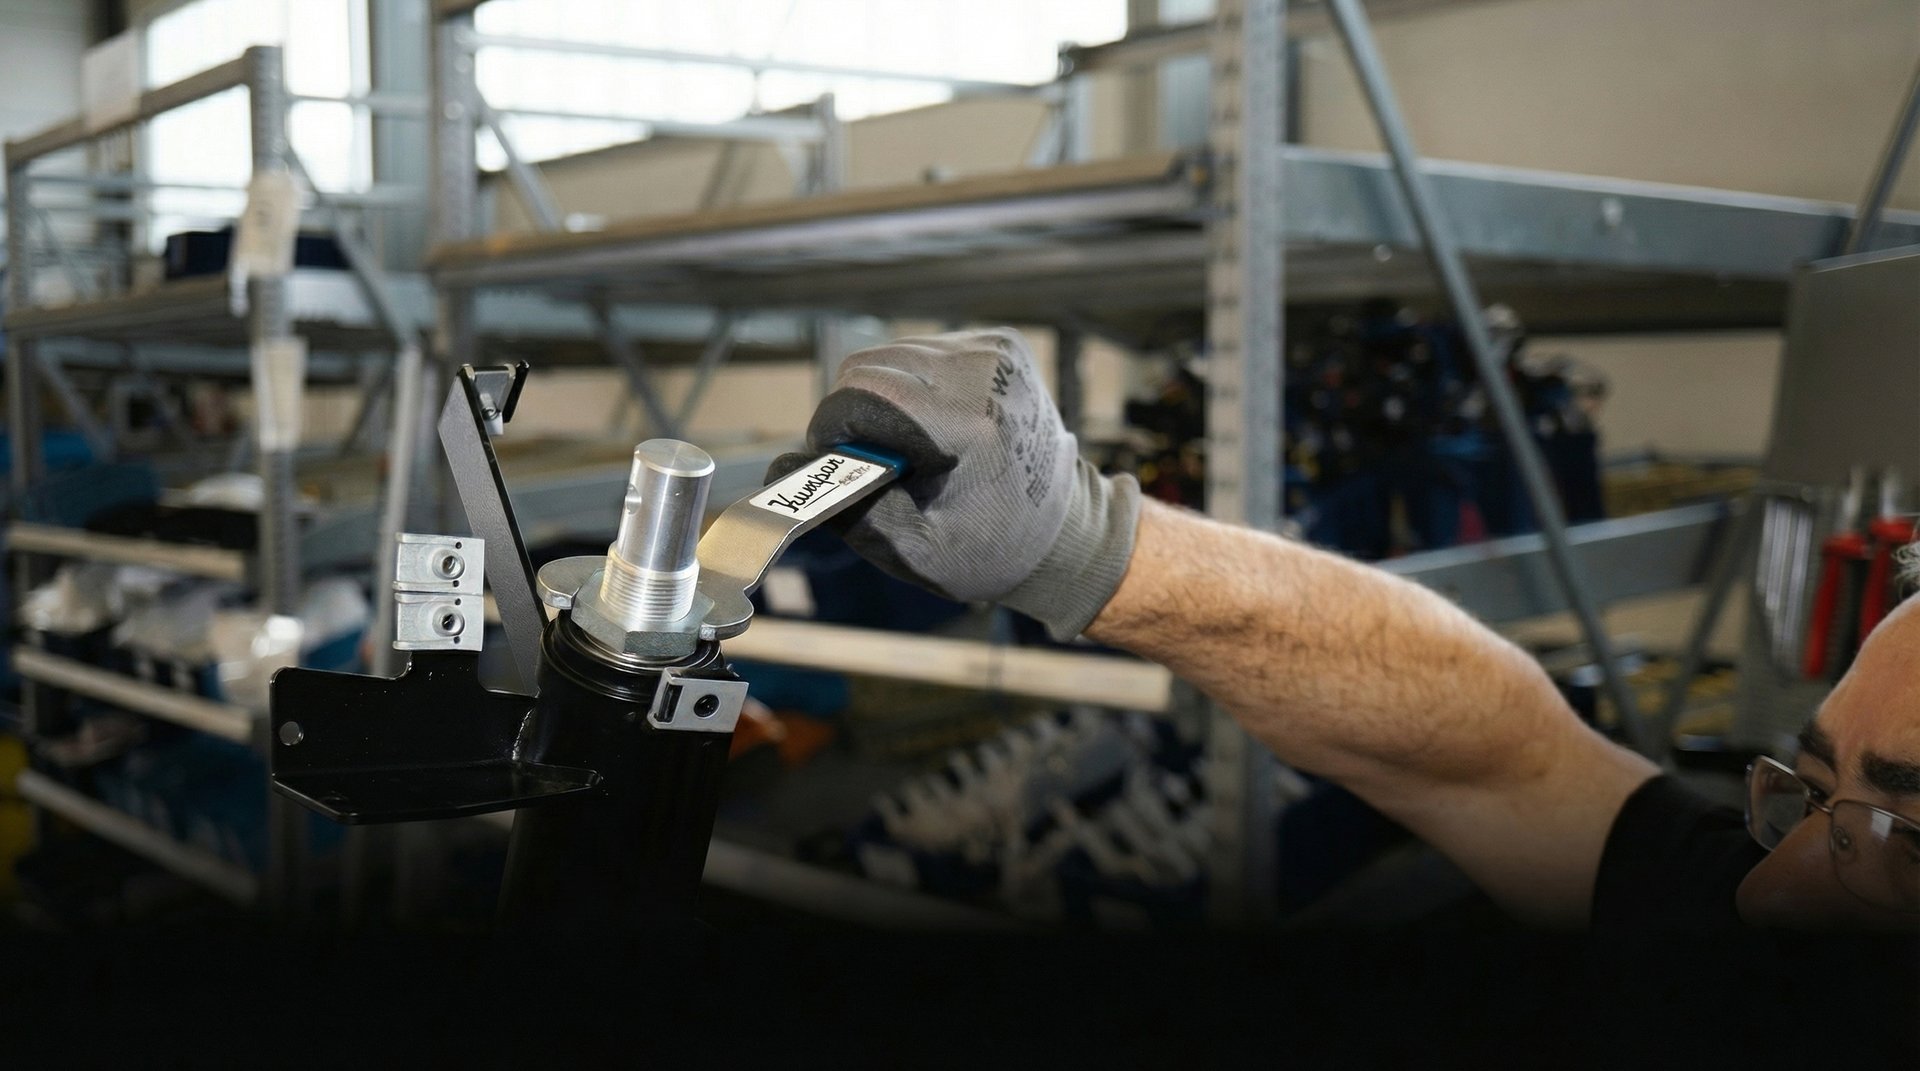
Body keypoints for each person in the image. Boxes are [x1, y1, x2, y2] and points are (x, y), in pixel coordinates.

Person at [772, 328, 1920, 932]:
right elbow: (1495, 749)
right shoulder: (1748, 919)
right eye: (1811, 799)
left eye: (1908, 844)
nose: (1772, 888)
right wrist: (1079, 542)